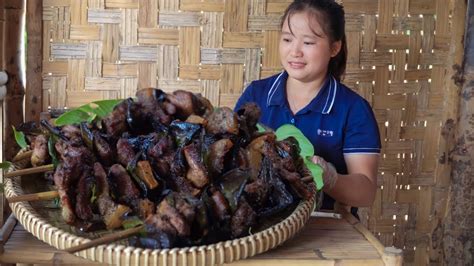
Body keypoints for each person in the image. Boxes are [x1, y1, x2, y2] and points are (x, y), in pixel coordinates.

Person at [234, 0, 380, 216]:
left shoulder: (354, 109)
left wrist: (330, 178)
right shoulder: (256, 95)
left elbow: (366, 192)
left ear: (334, 47)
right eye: (287, 39)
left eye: (308, 43)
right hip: (261, 225)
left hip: (326, 227)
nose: (295, 51)